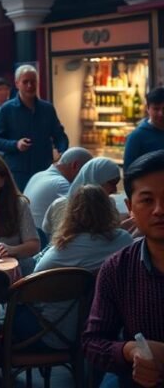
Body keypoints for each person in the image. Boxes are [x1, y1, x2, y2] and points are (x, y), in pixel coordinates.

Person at [83, 150, 164, 388]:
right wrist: (129, 350)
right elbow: (92, 342)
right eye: (147, 200)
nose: (159, 210)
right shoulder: (118, 268)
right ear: (130, 207)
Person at [24, 184, 134, 350]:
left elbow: (33, 282)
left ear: (72, 212)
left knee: (2, 317)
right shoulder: (123, 241)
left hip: (51, 330)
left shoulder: (62, 250)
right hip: (98, 328)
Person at [0, 65, 68, 190]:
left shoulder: (47, 109)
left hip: (44, 169)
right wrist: (16, 144)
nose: (29, 86)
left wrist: (61, 152)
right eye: (25, 82)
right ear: (17, 84)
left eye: (33, 81)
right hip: (18, 173)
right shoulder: (7, 109)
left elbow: (60, 136)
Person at [42, 157, 121, 238]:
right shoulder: (61, 207)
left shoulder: (110, 204)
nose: (114, 189)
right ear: (97, 179)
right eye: (112, 183)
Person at [23, 146, 93, 231]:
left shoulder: (38, 175)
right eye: (85, 172)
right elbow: (81, 222)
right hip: (42, 240)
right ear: (75, 165)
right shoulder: (61, 184)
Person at [124, 86, 164, 169]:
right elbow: (128, 173)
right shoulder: (136, 137)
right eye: (156, 109)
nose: (161, 114)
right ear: (148, 109)